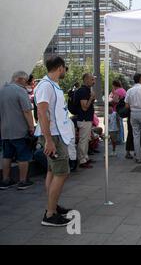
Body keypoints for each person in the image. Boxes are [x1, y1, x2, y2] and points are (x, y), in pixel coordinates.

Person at [34, 56, 74, 226]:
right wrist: (49, 140)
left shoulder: (51, 85)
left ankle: (52, 206)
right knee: (61, 172)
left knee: (52, 171)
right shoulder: (45, 86)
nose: (65, 71)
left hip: (57, 135)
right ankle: (50, 215)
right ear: (60, 68)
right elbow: (42, 113)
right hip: (53, 136)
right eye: (65, 68)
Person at [0, 71, 35, 190]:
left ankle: (5, 180)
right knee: (23, 156)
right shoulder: (20, 91)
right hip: (19, 130)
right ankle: (23, 181)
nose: (26, 83)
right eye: (25, 81)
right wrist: (31, 127)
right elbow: (27, 111)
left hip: (5, 130)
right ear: (19, 79)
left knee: (7, 156)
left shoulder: (2, 90)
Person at [74, 73, 96, 168]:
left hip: (86, 119)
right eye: (92, 79)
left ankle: (85, 157)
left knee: (86, 139)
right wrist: (91, 98)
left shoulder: (86, 90)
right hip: (84, 119)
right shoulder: (83, 91)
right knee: (83, 140)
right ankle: (82, 159)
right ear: (86, 80)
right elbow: (84, 107)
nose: (93, 82)